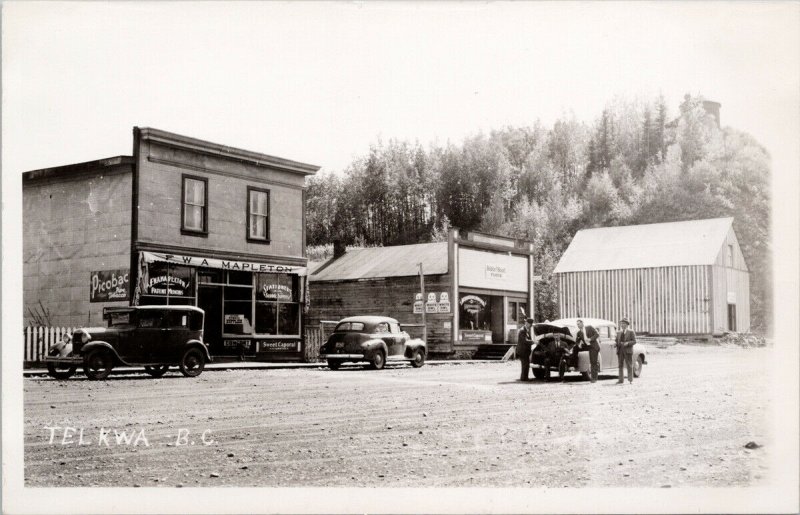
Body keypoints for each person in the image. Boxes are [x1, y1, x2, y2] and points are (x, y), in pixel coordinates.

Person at [615, 317, 636, 384]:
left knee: (629, 365)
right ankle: (621, 380)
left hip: (628, 350)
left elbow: (634, 341)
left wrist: (628, 343)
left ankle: (630, 380)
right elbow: (616, 341)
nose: (622, 325)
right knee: (620, 365)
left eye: (623, 323)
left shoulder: (631, 332)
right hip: (620, 350)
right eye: (621, 323)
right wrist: (615, 344)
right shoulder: (618, 332)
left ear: (627, 324)